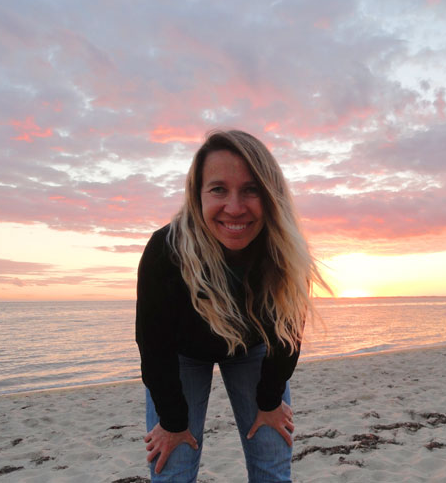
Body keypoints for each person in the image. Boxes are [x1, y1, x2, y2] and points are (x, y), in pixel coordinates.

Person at [136, 130, 328, 482]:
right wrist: (174, 423)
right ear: (198, 196)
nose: (235, 207)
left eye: (251, 189)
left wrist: (269, 402)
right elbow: (154, 346)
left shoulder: (284, 249)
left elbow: (287, 334)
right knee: (172, 470)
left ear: (271, 196)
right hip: (180, 355)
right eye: (219, 189)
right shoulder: (166, 250)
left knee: (272, 463)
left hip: (254, 350)